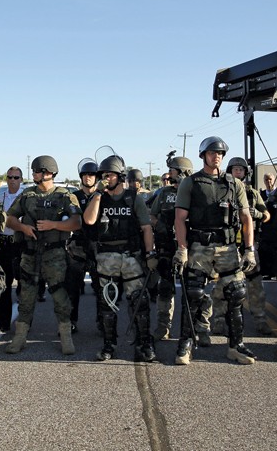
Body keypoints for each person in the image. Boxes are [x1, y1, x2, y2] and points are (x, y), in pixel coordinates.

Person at [173, 136, 257, 365]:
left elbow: (246, 218)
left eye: (220, 153)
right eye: (212, 153)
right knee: (193, 295)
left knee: (237, 293)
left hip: (227, 247)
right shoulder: (191, 183)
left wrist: (249, 249)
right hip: (199, 246)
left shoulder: (234, 184)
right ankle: (186, 343)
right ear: (203, 156)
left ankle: (235, 345)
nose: (216, 156)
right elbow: (180, 219)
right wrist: (182, 249)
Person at [83, 154, 157, 362]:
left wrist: (150, 254)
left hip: (131, 257)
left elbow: (146, 228)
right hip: (107, 258)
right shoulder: (99, 198)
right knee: (107, 304)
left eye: (110, 175)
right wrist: (97, 195)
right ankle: (109, 344)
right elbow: (89, 220)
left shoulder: (134, 198)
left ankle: (145, 343)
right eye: (103, 175)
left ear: (120, 176)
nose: (106, 178)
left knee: (139, 303)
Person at [4, 155, 80, 356]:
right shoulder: (28, 195)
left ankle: (65, 336)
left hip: (54, 254)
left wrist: (53, 225)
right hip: (29, 254)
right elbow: (9, 219)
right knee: (26, 297)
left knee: (60, 297)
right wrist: (23, 227)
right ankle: (20, 337)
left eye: (36, 171)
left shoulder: (65, 196)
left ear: (48, 173)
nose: (34, 174)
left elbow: (76, 223)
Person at [211, 157, 273, 335]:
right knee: (223, 285)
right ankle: (218, 320)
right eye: (235, 169)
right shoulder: (222, 190)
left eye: (241, 170)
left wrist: (258, 214)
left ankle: (260, 320)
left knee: (255, 284)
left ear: (246, 173)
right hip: (228, 245)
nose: (238, 172)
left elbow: (267, 214)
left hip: (249, 244)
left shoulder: (253, 193)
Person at [149, 155, 194, 341]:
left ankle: (198, 328)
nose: (170, 174)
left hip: (188, 248)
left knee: (194, 290)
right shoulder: (164, 193)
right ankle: (163, 327)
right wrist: (159, 224)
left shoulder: (194, 190)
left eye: (173, 170)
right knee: (165, 288)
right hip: (166, 247)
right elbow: (151, 215)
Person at [65, 160, 103, 334]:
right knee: (72, 288)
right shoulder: (74, 196)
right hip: (77, 246)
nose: (88, 178)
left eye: (92, 175)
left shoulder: (104, 195)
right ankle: (70, 322)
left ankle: (102, 322)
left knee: (101, 288)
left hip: (98, 245)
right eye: (85, 175)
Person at [0, 167, 25, 334]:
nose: (12, 180)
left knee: (23, 286)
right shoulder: (1, 194)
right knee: (3, 285)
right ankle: (3, 324)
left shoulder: (26, 195)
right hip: (4, 243)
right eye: (10, 177)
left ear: (21, 179)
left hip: (19, 243)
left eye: (16, 177)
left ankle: (23, 325)